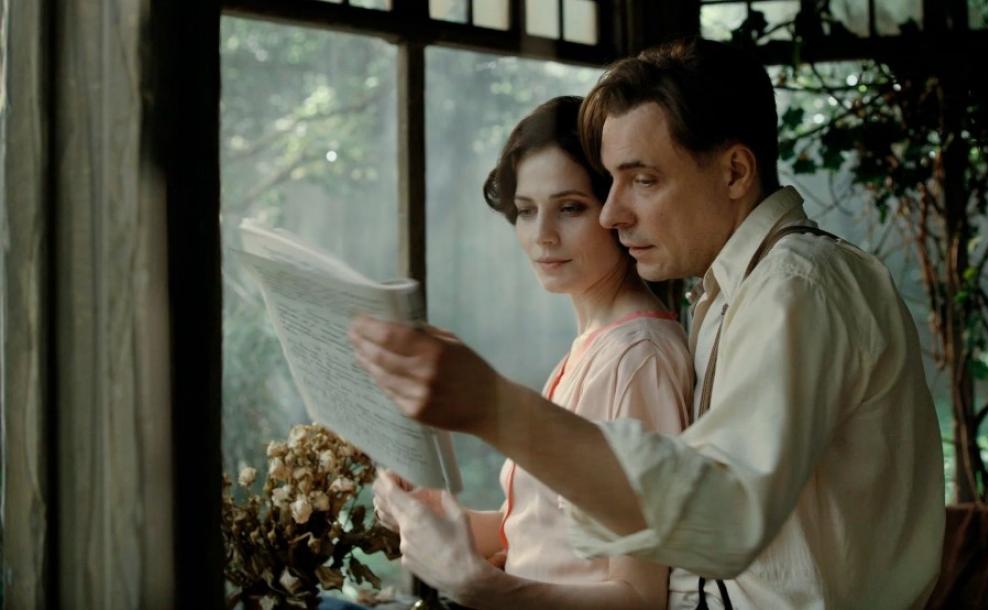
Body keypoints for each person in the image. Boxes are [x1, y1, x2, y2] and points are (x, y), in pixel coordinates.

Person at [350, 39, 945, 610]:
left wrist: (494, 410)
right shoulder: (736, 293)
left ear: (735, 172)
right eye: (611, 182)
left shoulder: (795, 286)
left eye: (643, 180)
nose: (613, 213)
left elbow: (727, 512)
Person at [368, 96, 692, 610]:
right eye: (525, 211)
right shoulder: (592, 346)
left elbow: (639, 596)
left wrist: (485, 588)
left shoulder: (637, 359)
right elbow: (542, 532)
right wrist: (436, 515)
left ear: (615, 209)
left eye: (570, 207)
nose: (542, 236)